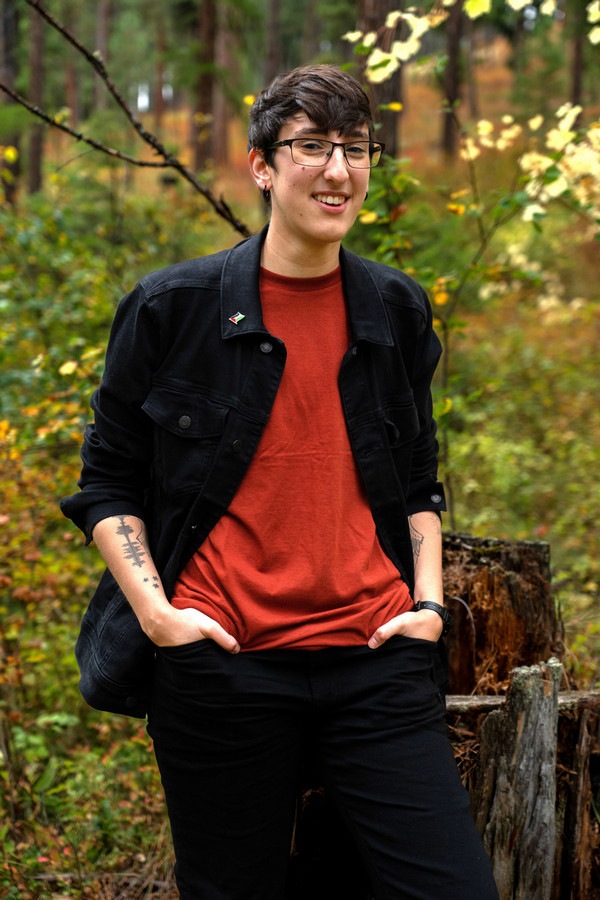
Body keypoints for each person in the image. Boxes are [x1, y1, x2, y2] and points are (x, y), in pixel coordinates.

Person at [61, 65, 499, 900]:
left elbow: (416, 479)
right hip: (222, 665)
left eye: (356, 149)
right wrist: (158, 616)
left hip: (375, 659)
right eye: (310, 147)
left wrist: (431, 608)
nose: (338, 170)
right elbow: (107, 484)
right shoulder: (170, 309)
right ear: (261, 165)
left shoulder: (395, 308)